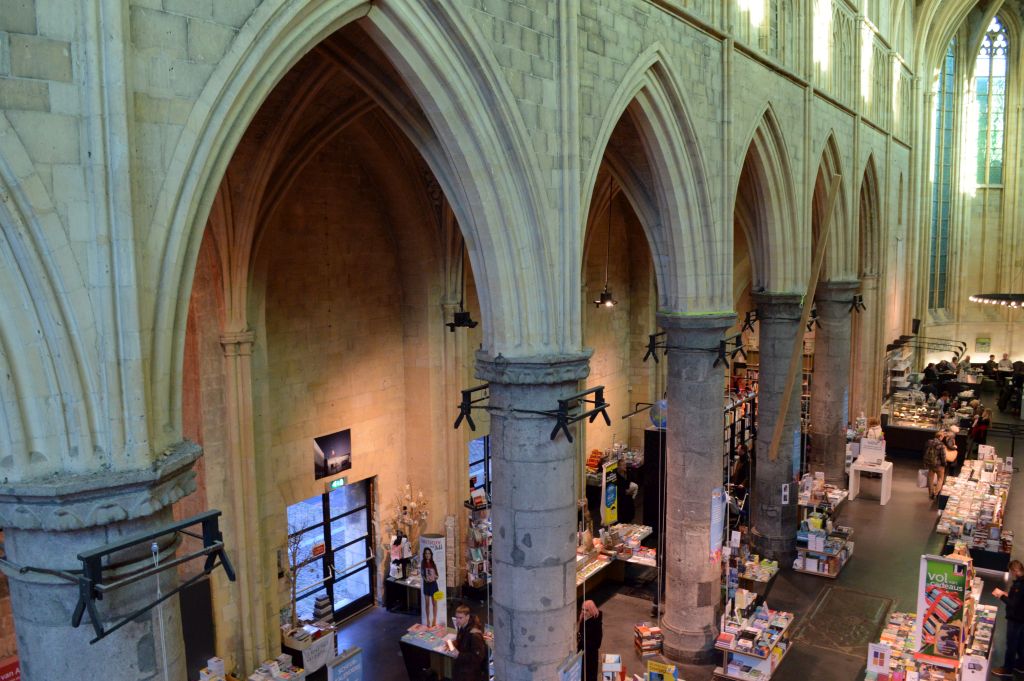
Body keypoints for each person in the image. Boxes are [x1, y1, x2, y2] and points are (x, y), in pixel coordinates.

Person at [991, 560, 1024, 677]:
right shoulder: (1020, 583)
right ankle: (1021, 665)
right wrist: (1007, 594)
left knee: (1011, 644)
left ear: (1015, 570)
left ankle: (1007, 669)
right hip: (1021, 619)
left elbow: (1014, 604)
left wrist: (1001, 596)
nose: (1011, 574)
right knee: (1020, 642)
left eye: (1011, 572)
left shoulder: (1020, 585)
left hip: (1016, 618)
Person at [452, 604, 488, 681]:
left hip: (470, 674)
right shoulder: (462, 627)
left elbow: (478, 657)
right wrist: (455, 643)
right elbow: (463, 642)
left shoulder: (474, 635)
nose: (457, 620)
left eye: (460, 618)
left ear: (467, 617)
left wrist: (459, 655)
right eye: (457, 617)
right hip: (462, 670)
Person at [577, 599, 603, 681]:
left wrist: (584, 641)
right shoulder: (583, 618)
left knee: (590, 675)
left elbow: (598, 643)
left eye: (586, 610)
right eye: (583, 609)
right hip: (582, 652)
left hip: (590, 655)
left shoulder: (596, 623)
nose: (584, 612)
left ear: (591, 610)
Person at [923, 434, 947, 500]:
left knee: (930, 479)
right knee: (940, 479)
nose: (943, 438)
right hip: (939, 465)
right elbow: (943, 456)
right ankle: (936, 494)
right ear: (940, 437)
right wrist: (944, 464)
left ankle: (931, 494)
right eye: (942, 437)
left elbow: (925, 452)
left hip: (930, 464)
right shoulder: (941, 445)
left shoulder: (929, 442)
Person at [420, 547, 440, 627]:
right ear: (424, 555)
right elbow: (422, 574)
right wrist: (426, 579)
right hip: (426, 585)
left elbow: (437, 575)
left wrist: (435, 577)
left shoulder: (433, 563)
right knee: (427, 604)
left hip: (434, 585)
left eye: (429, 553)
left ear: (431, 554)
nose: (427, 555)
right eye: (426, 553)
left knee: (434, 603)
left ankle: (434, 619)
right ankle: (428, 619)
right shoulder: (423, 563)